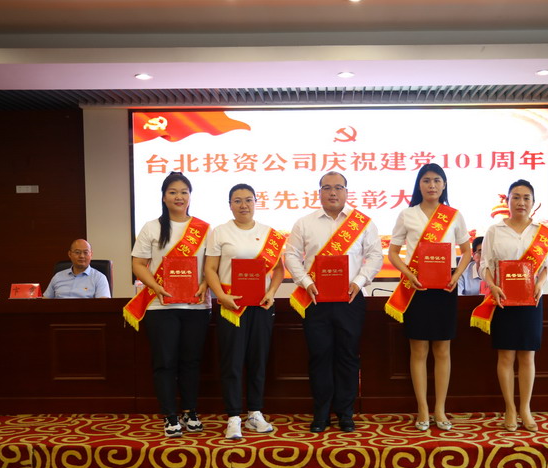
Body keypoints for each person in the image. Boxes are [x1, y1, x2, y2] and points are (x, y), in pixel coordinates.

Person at [285, 171, 383, 433]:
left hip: (350, 299)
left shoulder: (362, 223)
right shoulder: (305, 223)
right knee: (319, 356)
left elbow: (375, 256)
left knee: (348, 356)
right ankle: (321, 412)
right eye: (326, 188)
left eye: (338, 187)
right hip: (315, 299)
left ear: (346, 192)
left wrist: (359, 281)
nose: (332, 192)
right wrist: (306, 282)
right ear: (319, 193)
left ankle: (345, 413)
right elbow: (291, 256)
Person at [124, 172, 211, 439]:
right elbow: (138, 264)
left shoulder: (205, 229)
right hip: (160, 306)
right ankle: (170, 415)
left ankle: (190, 412)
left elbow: (213, 265)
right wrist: (156, 286)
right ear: (164, 197)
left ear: (190, 196)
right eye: (173, 192)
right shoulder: (152, 227)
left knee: (191, 362)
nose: (179, 197)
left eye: (184, 192)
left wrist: (205, 284)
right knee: (165, 362)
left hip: (196, 306)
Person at [385, 163, 471, 432]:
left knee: (443, 349)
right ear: (419, 185)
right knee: (419, 349)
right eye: (426, 180)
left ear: (444, 185)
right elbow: (393, 252)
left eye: (436, 180)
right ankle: (423, 408)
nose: (432, 185)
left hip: (445, 288)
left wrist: (457, 275)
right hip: (417, 288)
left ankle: (440, 409)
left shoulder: (453, 215)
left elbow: (467, 251)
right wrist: (408, 274)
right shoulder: (407, 214)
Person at [205, 184, 286, 440]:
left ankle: (254, 413)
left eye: (248, 200)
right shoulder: (220, 232)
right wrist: (221, 296)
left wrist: (271, 292)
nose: (243, 205)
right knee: (232, 361)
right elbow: (210, 269)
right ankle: (233, 416)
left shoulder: (269, 233)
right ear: (230, 205)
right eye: (237, 200)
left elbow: (279, 270)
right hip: (232, 307)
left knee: (257, 360)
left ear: (256, 202)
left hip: (261, 306)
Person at [477, 179, 548, 433]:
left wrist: (540, 283)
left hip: (531, 300)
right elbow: (484, 265)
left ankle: (525, 408)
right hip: (503, 299)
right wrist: (492, 285)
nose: (521, 202)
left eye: (526, 198)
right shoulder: (494, 230)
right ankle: (510, 408)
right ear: (508, 201)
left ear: (533, 203)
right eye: (516, 197)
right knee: (506, 355)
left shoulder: (541, 233)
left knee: (527, 355)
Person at [44, 239, 111, 298]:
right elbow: (45, 301)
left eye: (86, 252)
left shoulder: (99, 278)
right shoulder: (58, 277)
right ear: (70, 254)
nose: (81, 256)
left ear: (91, 254)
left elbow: (103, 305)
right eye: (77, 252)